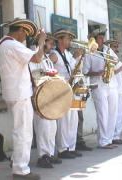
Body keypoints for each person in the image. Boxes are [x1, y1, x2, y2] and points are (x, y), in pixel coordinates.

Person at [0, 18, 46, 180]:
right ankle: (20, 170)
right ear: (21, 31)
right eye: (25, 34)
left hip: (12, 93)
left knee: (19, 130)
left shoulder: (0, 44)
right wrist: (42, 41)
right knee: (23, 133)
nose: (25, 38)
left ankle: (15, 161)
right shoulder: (13, 45)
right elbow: (38, 58)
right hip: (20, 93)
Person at [30, 34, 62, 169]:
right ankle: (42, 157)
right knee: (43, 128)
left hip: (50, 96)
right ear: (42, 43)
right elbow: (35, 76)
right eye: (50, 43)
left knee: (51, 128)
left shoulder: (48, 58)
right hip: (39, 96)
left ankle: (49, 154)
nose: (52, 46)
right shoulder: (34, 56)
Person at [83, 29, 119, 149]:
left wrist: (110, 62)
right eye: (100, 38)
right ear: (94, 39)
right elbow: (85, 72)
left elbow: (116, 61)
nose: (102, 40)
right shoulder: (90, 53)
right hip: (98, 85)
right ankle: (103, 141)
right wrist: (98, 72)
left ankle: (109, 139)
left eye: (103, 38)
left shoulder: (108, 50)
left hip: (110, 84)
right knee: (103, 113)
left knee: (112, 112)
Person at [52, 29, 82, 159]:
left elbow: (74, 67)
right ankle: (62, 149)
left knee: (73, 119)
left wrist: (78, 58)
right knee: (63, 121)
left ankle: (71, 146)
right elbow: (48, 68)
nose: (70, 41)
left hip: (72, 89)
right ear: (60, 40)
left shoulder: (68, 54)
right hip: (61, 89)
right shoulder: (54, 54)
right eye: (67, 39)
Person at [105, 39, 122, 144]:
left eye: (117, 46)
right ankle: (113, 136)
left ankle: (117, 136)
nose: (116, 48)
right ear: (110, 47)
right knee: (114, 114)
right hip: (114, 88)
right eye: (114, 46)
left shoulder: (117, 59)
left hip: (120, 88)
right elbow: (113, 72)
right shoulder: (109, 57)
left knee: (120, 114)